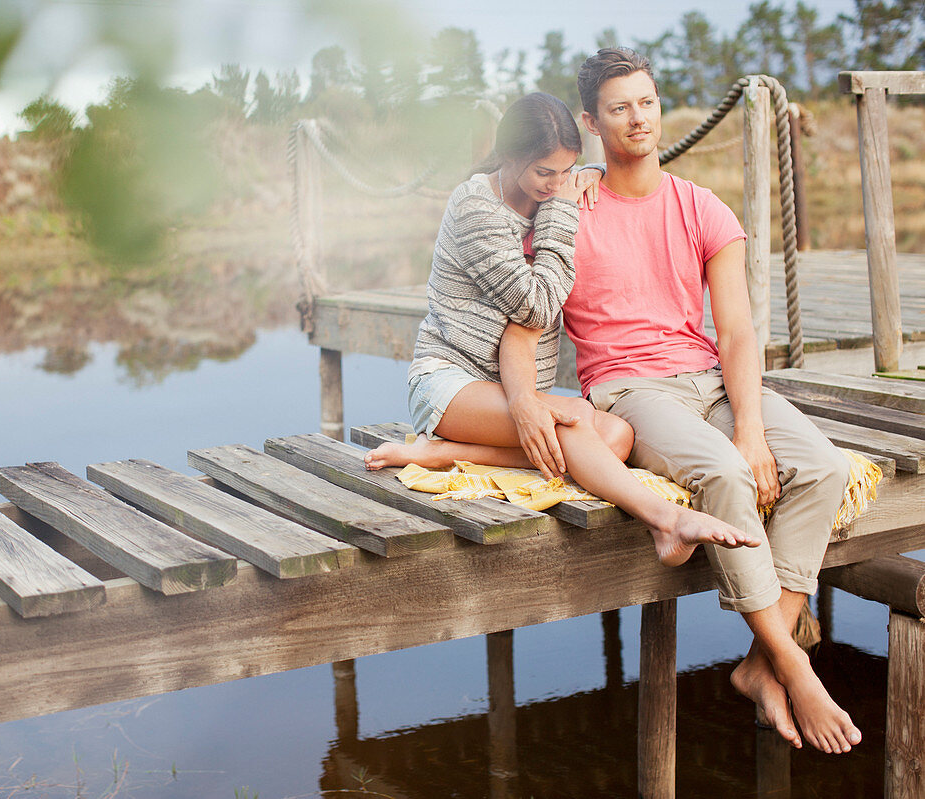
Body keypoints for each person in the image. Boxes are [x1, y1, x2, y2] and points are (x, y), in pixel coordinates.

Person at [501, 48, 857, 754]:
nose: (639, 118)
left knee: (823, 466)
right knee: (721, 475)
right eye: (619, 107)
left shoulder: (702, 207)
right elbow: (520, 302)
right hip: (630, 388)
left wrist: (751, 427)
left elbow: (736, 331)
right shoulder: (567, 211)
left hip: (709, 378)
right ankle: (793, 662)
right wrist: (519, 400)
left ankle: (761, 660)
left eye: (648, 101)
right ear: (591, 122)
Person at [364, 91, 759, 568]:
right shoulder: (476, 207)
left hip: (512, 388)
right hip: (450, 382)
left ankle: (444, 454)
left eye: (565, 172)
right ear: (510, 156)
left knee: (615, 437)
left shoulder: (544, 196)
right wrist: (561, 212)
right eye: (543, 173)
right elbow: (537, 304)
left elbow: (570, 205)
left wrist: (583, 181)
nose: (555, 186)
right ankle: (666, 520)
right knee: (574, 418)